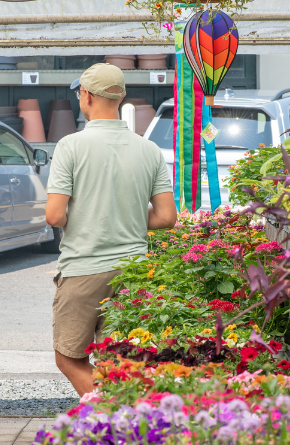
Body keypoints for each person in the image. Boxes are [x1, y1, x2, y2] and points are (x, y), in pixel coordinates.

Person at [45, 64, 178, 396]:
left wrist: (92, 214)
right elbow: (166, 217)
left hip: (84, 268)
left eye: (80, 93)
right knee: (120, 359)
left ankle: (113, 417)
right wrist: (126, 216)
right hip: (135, 271)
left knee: (68, 357)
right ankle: (127, 425)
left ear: (87, 96)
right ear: (119, 97)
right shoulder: (148, 149)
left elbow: (54, 216)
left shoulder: (70, 146)